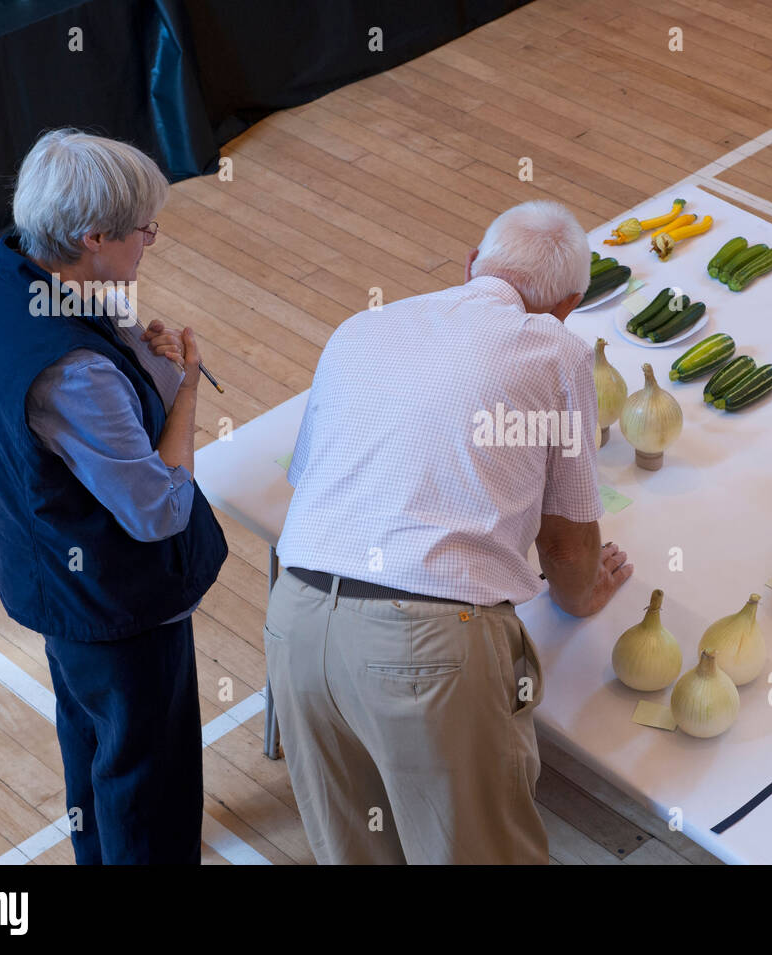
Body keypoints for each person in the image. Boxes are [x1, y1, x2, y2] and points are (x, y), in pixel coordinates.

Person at [266, 199, 633, 864]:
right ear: (570, 304)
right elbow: (567, 546)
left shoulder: (360, 327)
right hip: (425, 643)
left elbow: (314, 479)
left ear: (472, 264)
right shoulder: (557, 350)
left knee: (355, 848)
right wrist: (583, 595)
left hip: (295, 620)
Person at [0, 129, 228, 864]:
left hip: (50, 578)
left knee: (92, 739)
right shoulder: (77, 371)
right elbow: (160, 506)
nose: (151, 243)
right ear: (92, 236)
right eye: (143, 231)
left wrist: (144, 359)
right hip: (119, 606)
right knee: (151, 783)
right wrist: (188, 387)